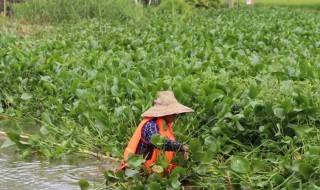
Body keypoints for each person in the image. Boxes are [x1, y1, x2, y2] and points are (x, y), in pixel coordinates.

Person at [115, 91, 194, 174]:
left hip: (156, 169)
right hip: (139, 171)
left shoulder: (165, 125)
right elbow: (160, 142)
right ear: (165, 113)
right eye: (173, 113)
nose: (175, 115)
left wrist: (182, 152)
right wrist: (181, 147)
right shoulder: (150, 125)